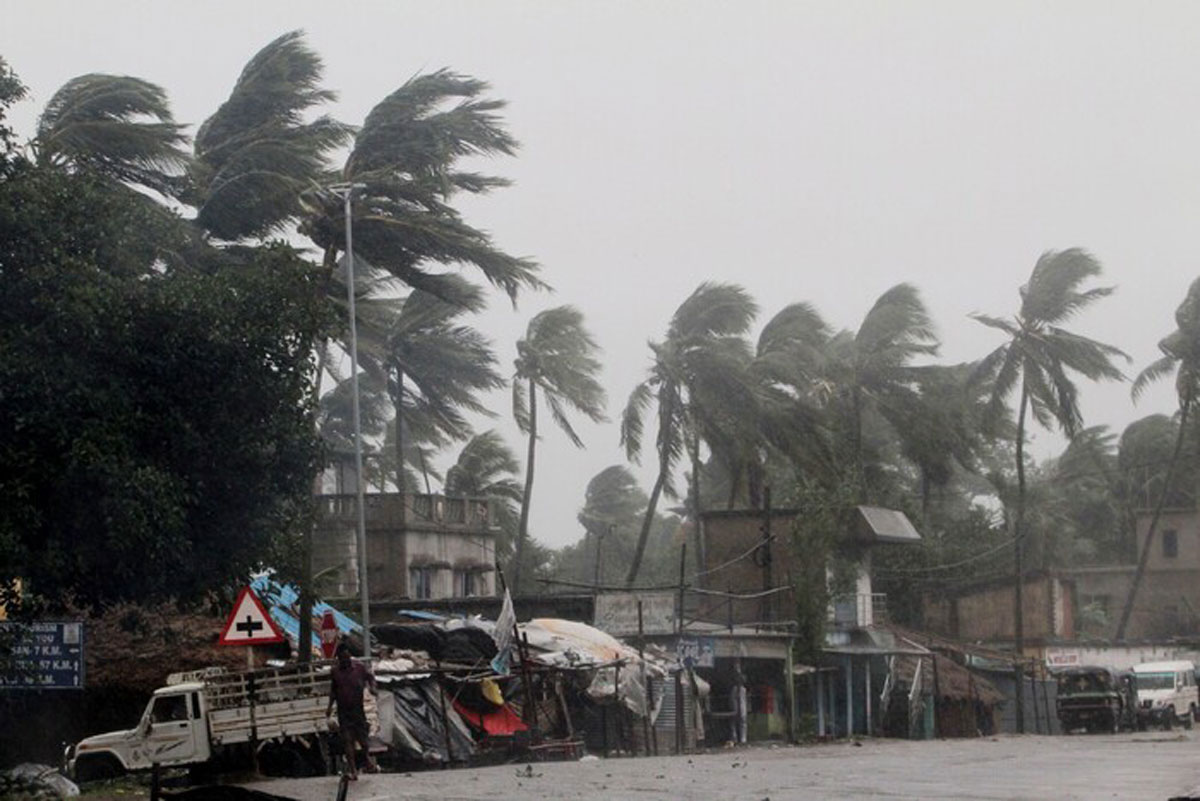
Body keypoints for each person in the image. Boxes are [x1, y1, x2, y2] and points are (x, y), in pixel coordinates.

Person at [326, 642, 378, 779]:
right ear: (339, 658)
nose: (346, 661)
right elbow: (333, 690)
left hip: (358, 710)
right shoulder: (335, 672)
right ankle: (353, 770)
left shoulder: (359, 668)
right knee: (347, 741)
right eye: (343, 659)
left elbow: (371, 677)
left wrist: (372, 688)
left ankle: (366, 758)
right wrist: (329, 706)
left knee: (364, 741)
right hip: (343, 711)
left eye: (347, 658)